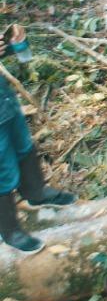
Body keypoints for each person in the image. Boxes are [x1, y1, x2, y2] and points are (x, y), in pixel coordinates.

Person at [2, 24, 77, 253]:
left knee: (23, 147)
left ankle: (35, 192)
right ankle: (9, 230)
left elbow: (20, 57)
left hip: (5, 103)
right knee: (2, 170)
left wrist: (14, 43)